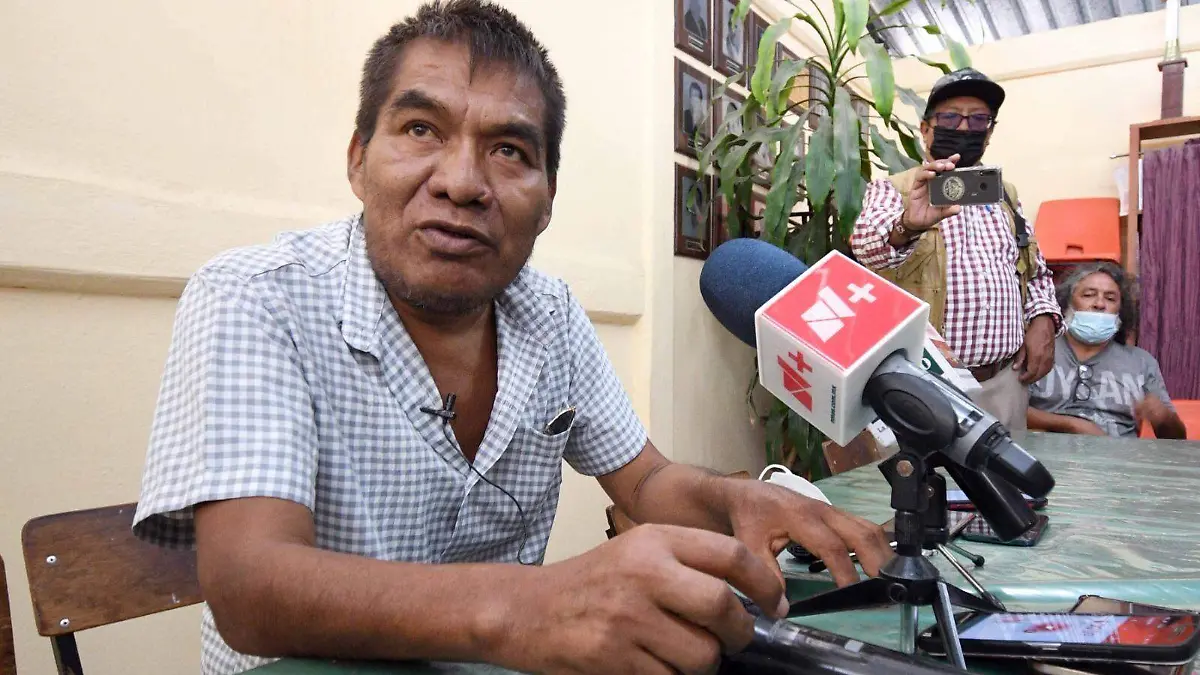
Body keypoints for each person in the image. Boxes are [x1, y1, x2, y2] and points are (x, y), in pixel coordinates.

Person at [132, 2, 891, 674]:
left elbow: (645, 483)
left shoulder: (549, 313)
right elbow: (250, 587)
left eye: (509, 151)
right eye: (421, 129)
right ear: (358, 160)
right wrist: (531, 605)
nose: (462, 182)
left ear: (547, 199)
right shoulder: (256, 296)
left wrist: (735, 498)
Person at [850, 68, 1061, 432]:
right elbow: (867, 250)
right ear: (925, 129)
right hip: (927, 383)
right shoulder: (895, 190)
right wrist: (907, 225)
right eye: (950, 118)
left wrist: (1043, 318)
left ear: (989, 133)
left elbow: (1035, 271)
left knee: (1007, 470)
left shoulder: (1005, 195)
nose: (964, 128)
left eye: (978, 119)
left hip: (1005, 383)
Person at [1027, 262, 1186, 439]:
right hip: (1045, 453)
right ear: (1066, 303)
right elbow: (1009, 413)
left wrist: (1163, 417)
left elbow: (1177, 440)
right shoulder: (1039, 350)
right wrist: (1071, 425)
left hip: (1119, 455)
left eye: (1110, 299)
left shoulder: (1142, 362)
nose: (1100, 304)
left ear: (1121, 311)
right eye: (1088, 295)